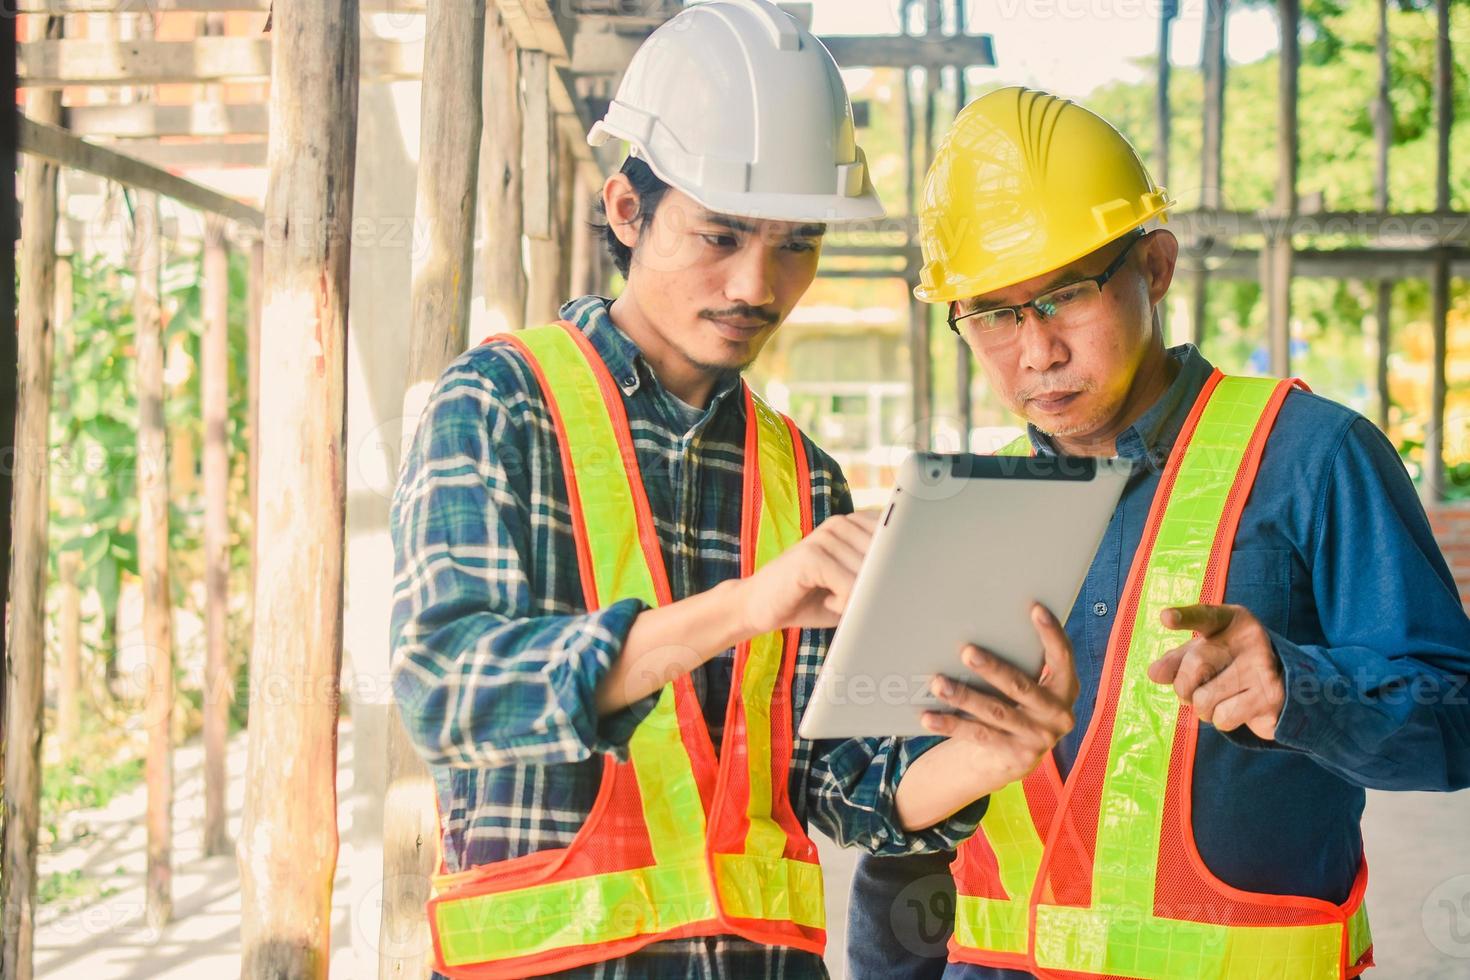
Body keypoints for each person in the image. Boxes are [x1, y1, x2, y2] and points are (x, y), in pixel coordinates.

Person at [390, 7, 1078, 978]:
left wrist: (995, 753)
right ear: (626, 209)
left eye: (798, 242)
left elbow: (840, 789)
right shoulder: (502, 403)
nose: (757, 282)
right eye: (719, 233)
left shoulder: (801, 476)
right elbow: (449, 692)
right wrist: (745, 607)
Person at [847, 85, 1470, 980]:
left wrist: (1299, 688)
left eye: (1065, 295)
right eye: (991, 313)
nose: (1035, 352)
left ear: (1157, 265)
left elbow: (1455, 715)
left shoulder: (1313, 457)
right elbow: (905, 827)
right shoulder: (960, 508)